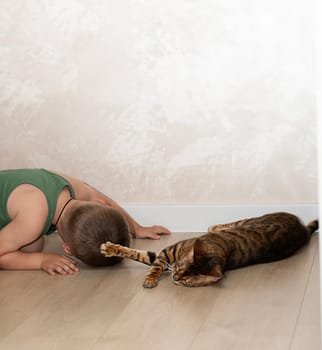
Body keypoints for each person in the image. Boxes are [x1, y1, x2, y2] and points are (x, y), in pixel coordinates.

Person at [0, 168, 170, 276]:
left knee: (32, 243)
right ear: (67, 249)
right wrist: (42, 260)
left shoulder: (74, 189)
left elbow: (106, 201)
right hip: (28, 214)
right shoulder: (32, 220)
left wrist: (135, 228)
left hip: (24, 207)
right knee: (33, 247)